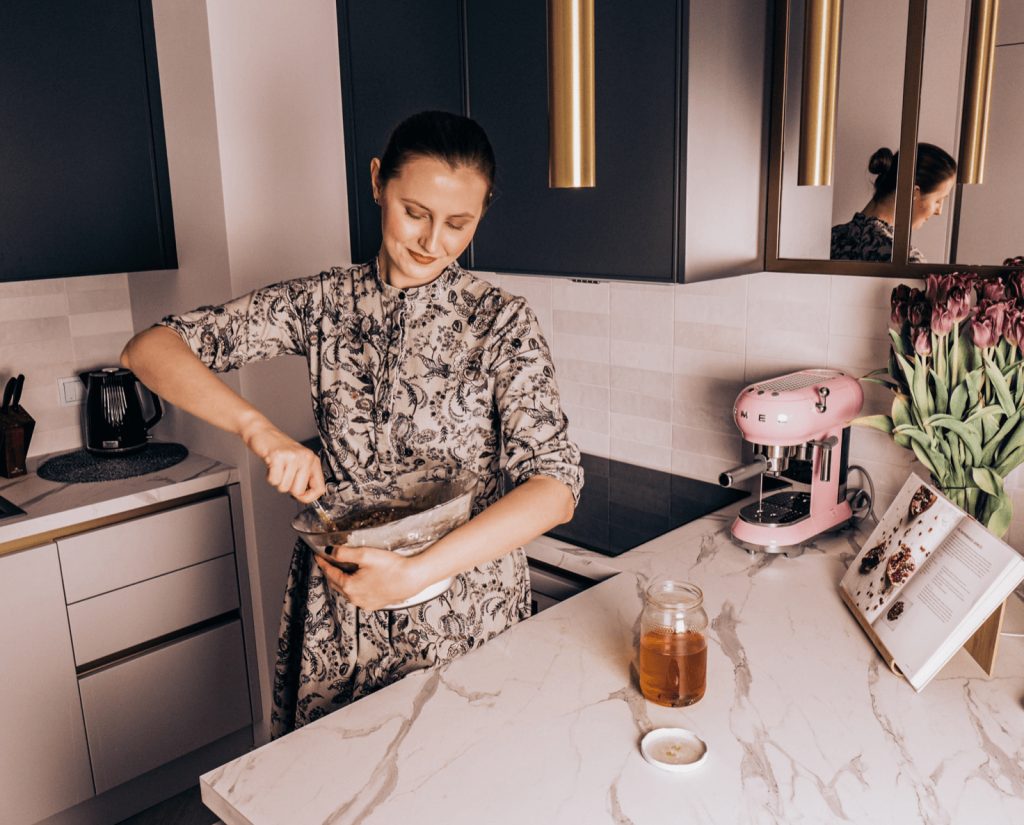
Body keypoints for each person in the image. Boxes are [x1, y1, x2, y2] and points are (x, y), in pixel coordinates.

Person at [121, 111, 583, 736]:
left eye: (458, 224)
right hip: (341, 613)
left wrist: (415, 574)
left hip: (466, 611)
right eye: (415, 212)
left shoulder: (499, 320)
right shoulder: (322, 303)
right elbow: (149, 350)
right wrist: (260, 431)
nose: (432, 242)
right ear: (376, 183)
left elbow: (554, 488)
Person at [830, 143, 957, 263]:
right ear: (913, 193)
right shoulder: (904, 260)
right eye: (938, 200)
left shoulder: (831, 237)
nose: (939, 211)